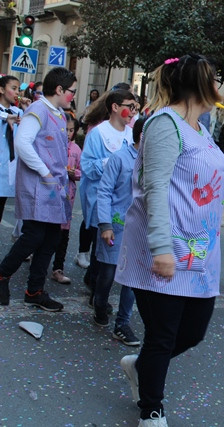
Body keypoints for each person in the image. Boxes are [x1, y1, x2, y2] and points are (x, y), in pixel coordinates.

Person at [115, 53, 224, 426]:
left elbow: (211, 184)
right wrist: (161, 249)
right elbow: (155, 189)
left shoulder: (200, 129)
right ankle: (151, 408)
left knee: (193, 332)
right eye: (215, 78)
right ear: (200, 83)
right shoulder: (165, 124)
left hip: (201, 256)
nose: (220, 85)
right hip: (165, 251)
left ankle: (141, 366)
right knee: (162, 336)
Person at [0, 67, 76, 309]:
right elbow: (23, 144)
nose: (73, 95)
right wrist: (44, 172)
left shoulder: (60, 114)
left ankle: (35, 290)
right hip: (38, 186)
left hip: (53, 187)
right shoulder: (38, 110)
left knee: (51, 237)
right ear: (59, 89)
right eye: (72, 91)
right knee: (34, 236)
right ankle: (3, 274)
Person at [79, 89, 137, 308]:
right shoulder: (98, 134)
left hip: (122, 204)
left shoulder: (131, 135)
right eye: (130, 106)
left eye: (135, 108)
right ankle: (96, 291)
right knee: (99, 247)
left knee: (111, 250)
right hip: (99, 199)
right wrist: (111, 162)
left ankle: (98, 289)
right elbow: (87, 167)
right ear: (115, 107)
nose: (133, 112)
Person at [93, 117, 146, 347]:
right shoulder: (120, 158)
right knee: (107, 273)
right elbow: (104, 191)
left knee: (132, 278)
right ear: (143, 136)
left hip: (140, 228)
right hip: (115, 226)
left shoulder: (155, 163)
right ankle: (100, 305)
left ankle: (122, 324)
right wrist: (105, 224)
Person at [50, 115, 82, 284]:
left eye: (71, 130)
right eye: (66, 129)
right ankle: (39, 261)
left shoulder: (76, 149)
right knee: (48, 232)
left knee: (64, 234)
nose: (68, 133)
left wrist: (73, 173)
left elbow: (80, 171)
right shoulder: (52, 145)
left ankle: (58, 268)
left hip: (68, 195)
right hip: (52, 193)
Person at [0, 75, 22, 223]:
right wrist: (5, 116)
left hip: (7, 169)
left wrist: (27, 107)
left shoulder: (18, 112)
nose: (17, 93)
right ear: (1, 89)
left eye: (18, 90)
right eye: (13, 88)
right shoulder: (6, 114)